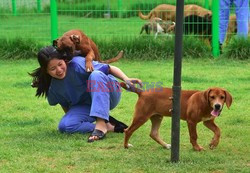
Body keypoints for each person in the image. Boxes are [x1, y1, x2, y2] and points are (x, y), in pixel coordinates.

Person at [30, 46, 142, 142]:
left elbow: (109, 68)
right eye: (53, 69)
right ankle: (110, 126)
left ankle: (101, 123)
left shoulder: (78, 64)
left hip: (109, 93)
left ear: (64, 60)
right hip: (87, 105)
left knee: (96, 75)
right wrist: (73, 118)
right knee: (65, 126)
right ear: (46, 71)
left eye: (60, 64)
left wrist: (126, 79)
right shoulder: (53, 87)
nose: (59, 70)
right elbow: (65, 104)